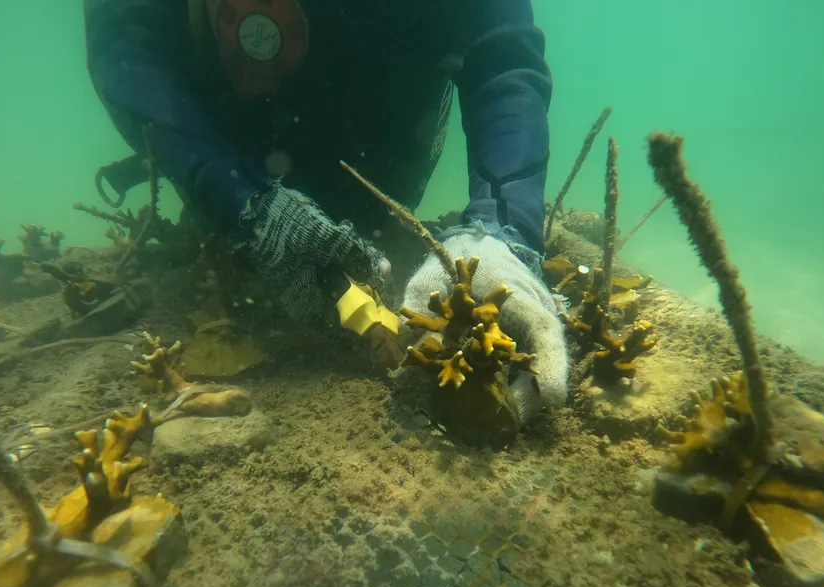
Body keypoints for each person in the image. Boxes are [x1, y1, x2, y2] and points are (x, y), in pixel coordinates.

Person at [83, 0, 568, 420]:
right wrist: (236, 196)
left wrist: (501, 231)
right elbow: (128, 45)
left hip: (380, 174)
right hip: (233, 160)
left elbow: (501, 61)